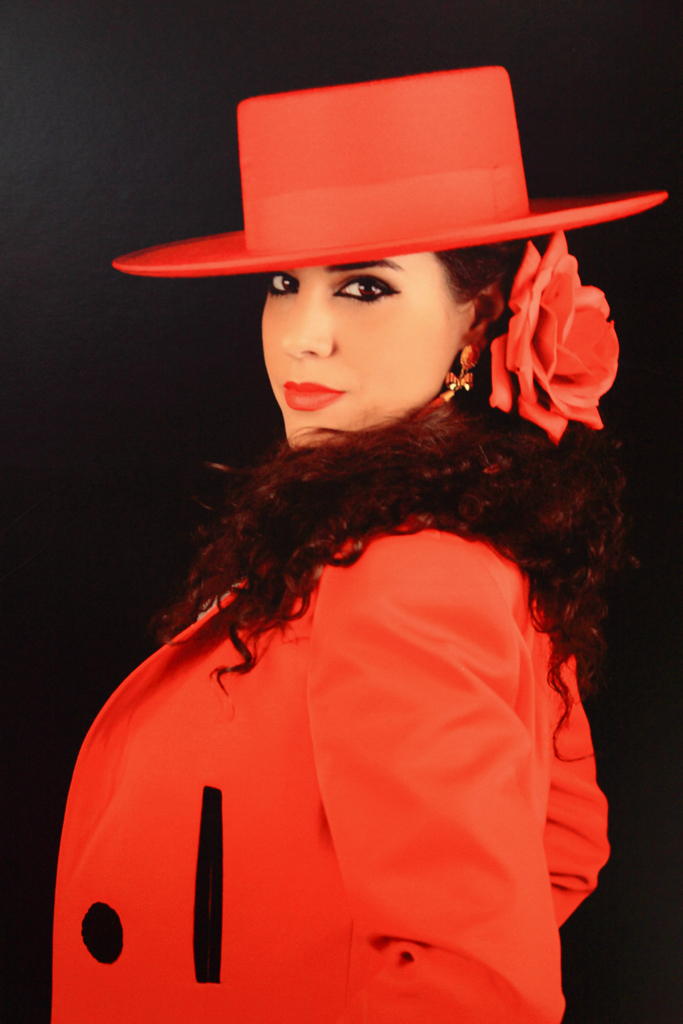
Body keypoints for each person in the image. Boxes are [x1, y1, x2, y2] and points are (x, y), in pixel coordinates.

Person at [51, 67, 667, 1023]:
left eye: (365, 289)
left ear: (477, 319)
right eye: (283, 284)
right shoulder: (452, 537)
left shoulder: (403, 578)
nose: (304, 337)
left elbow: (479, 982)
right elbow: (565, 837)